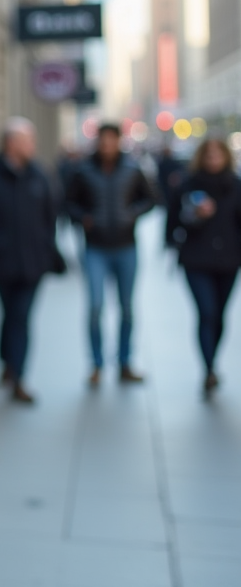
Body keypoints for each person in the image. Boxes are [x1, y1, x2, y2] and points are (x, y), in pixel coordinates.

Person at [0, 117, 60, 404]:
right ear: (11, 143)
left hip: (34, 264)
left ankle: (18, 377)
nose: (33, 145)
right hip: (1, 263)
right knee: (11, 315)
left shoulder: (40, 175)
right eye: (27, 140)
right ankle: (7, 362)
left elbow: (50, 216)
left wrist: (47, 251)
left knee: (21, 317)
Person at [66, 123, 156, 387]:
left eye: (111, 140)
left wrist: (132, 214)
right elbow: (68, 202)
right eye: (102, 140)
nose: (106, 145)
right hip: (95, 248)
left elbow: (151, 199)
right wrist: (83, 218)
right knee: (95, 307)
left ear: (118, 141)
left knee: (126, 308)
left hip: (126, 247)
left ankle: (125, 362)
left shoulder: (132, 169)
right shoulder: (83, 171)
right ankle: (96, 364)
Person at [166, 138, 241, 396]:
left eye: (217, 155)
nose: (213, 160)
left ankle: (213, 360)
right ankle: (208, 368)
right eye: (208, 155)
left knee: (219, 316)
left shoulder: (236, 186)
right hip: (197, 260)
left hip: (229, 260)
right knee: (207, 313)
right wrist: (194, 216)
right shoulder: (188, 185)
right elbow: (173, 222)